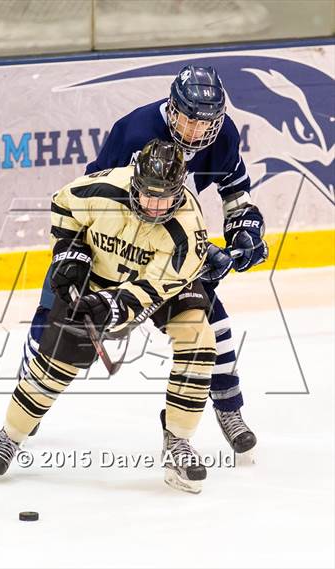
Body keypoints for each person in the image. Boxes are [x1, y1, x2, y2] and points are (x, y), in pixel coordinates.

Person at [0, 139, 218, 493]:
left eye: (164, 198)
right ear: (134, 181)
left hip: (156, 284)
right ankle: (10, 435)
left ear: (180, 191)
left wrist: (113, 306)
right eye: (147, 194)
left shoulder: (187, 230)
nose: (154, 207)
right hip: (97, 275)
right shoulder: (104, 188)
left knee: (199, 338)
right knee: (57, 360)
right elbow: (63, 204)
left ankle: (178, 442)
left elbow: (154, 289)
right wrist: (69, 252)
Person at [83, 64, 268, 453]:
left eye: (207, 123)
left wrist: (244, 232)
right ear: (172, 108)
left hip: (174, 257)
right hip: (117, 245)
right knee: (63, 328)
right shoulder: (135, 132)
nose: (197, 131)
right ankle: (28, 394)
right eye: (189, 119)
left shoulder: (223, 135)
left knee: (210, 327)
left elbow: (236, 192)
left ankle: (223, 411)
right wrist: (199, 254)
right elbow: (102, 201)